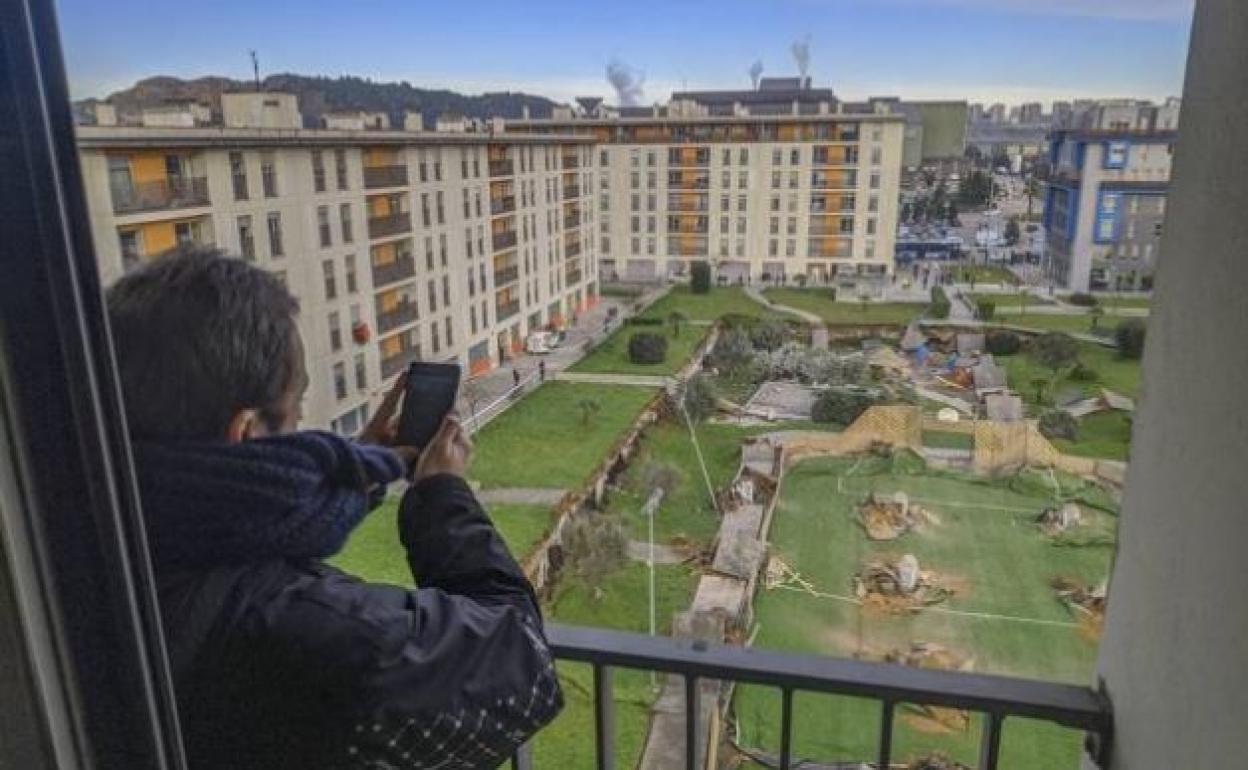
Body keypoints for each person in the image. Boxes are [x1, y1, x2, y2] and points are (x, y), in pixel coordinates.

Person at [107, 247, 561, 770]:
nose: (302, 429)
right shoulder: (318, 633)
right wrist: (442, 498)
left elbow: (251, 523)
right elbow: (522, 659)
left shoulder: (99, 546)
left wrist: (362, 468)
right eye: (298, 407)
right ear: (247, 431)